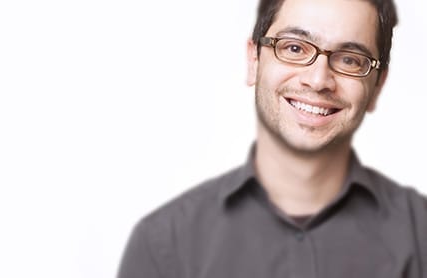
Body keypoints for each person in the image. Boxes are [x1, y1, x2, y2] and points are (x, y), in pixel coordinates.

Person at [117, 0, 427, 277]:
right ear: (254, 60)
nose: (318, 80)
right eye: (294, 48)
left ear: (377, 87)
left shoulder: (421, 234)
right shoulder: (164, 244)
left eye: (349, 59)